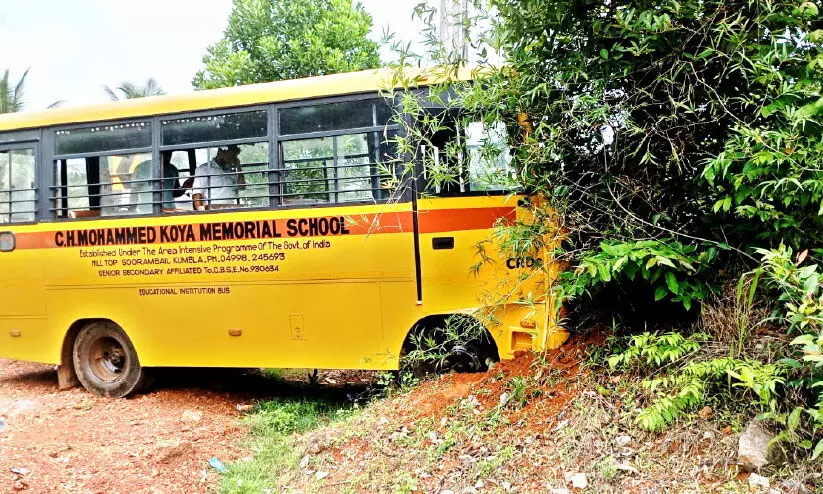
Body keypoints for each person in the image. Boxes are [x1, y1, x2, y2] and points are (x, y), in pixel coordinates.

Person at [191, 145, 245, 210]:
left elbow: (242, 187)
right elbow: (197, 194)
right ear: (221, 152)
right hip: (213, 212)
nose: (234, 159)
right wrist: (201, 213)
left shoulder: (230, 171)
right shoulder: (203, 169)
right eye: (232, 156)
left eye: (235, 157)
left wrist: (239, 167)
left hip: (231, 210)